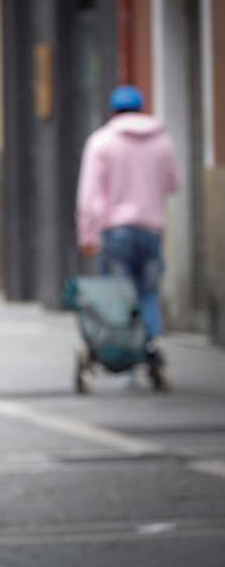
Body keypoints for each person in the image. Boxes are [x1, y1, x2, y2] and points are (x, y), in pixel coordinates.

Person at [76, 84, 182, 366]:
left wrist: (87, 233)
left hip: (116, 231)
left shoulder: (102, 141)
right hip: (151, 227)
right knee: (148, 291)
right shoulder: (162, 141)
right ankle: (153, 342)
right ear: (141, 108)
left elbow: (90, 195)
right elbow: (174, 183)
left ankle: (120, 350)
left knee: (118, 293)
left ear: (113, 110)